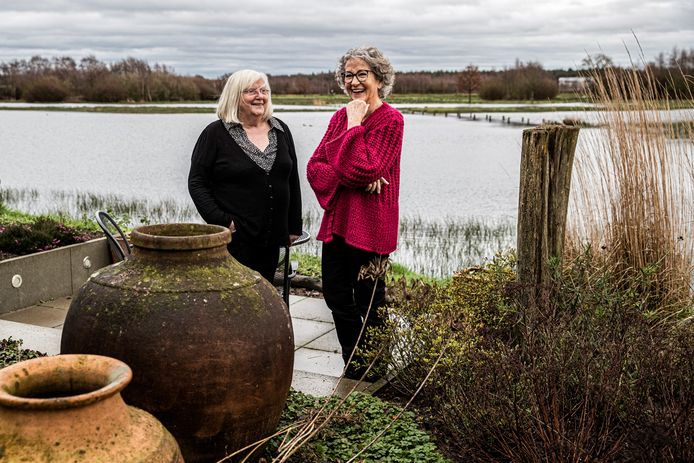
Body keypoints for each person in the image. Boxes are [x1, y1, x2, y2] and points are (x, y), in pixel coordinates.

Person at [307, 46, 404, 379]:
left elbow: (366, 168)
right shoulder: (339, 116)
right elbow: (315, 167)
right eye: (349, 74)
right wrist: (351, 175)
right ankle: (355, 361)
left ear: (378, 78)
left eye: (362, 73)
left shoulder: (391, 120)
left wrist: (353, 127)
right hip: (337, 223)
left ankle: (376, 366)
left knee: (370, 300)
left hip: (372, 228)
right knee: (335, 295)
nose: (354, 81)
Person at [188, 69, 302, 283]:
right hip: (235, 240)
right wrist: (223, 222)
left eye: (264, 90)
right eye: (251, 91)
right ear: (235, 96)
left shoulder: (280, 129)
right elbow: (197, 183)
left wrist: (294, 225)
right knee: (234, 299)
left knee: (264, 294)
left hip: (272, 239)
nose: (260, 96)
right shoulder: (215, 134)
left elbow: (292, 179)